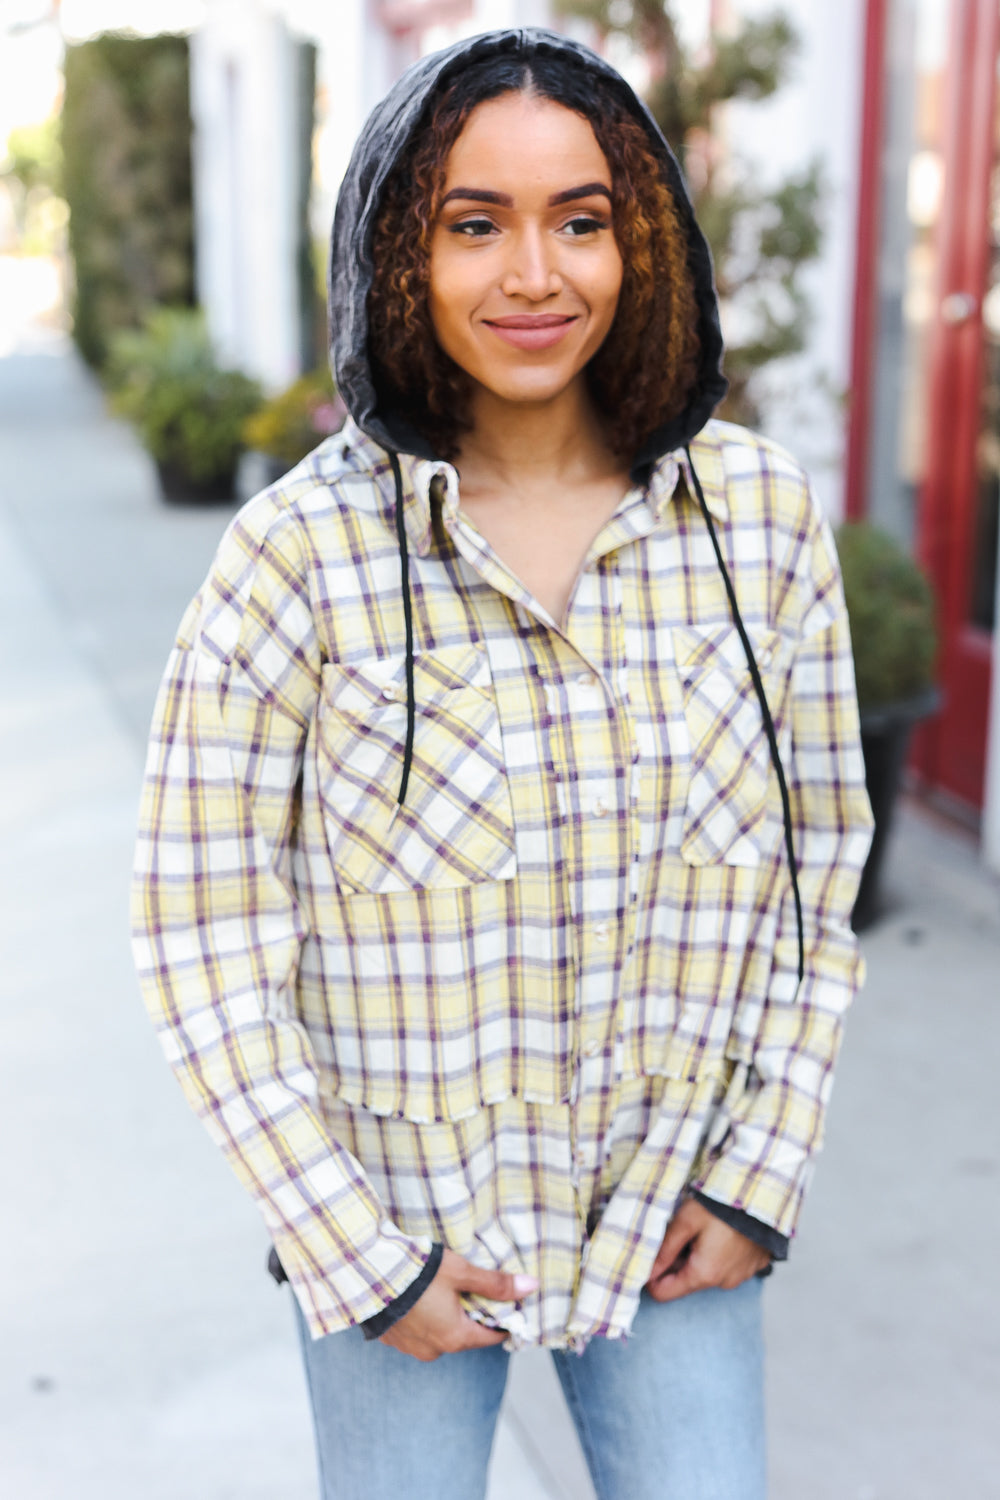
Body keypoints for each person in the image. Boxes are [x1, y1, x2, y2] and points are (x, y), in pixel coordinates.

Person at [131, 27, 874, 1500]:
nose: (536, 276)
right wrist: (358, 1254)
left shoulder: (759, 526)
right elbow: (202, 939)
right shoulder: (297, 561)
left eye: (580, 221)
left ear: (638, 236)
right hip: (405, 1237)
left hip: (675, 1217)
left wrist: (760, 1177)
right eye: (476, 225)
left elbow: (817, 874)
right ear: (400, 249)